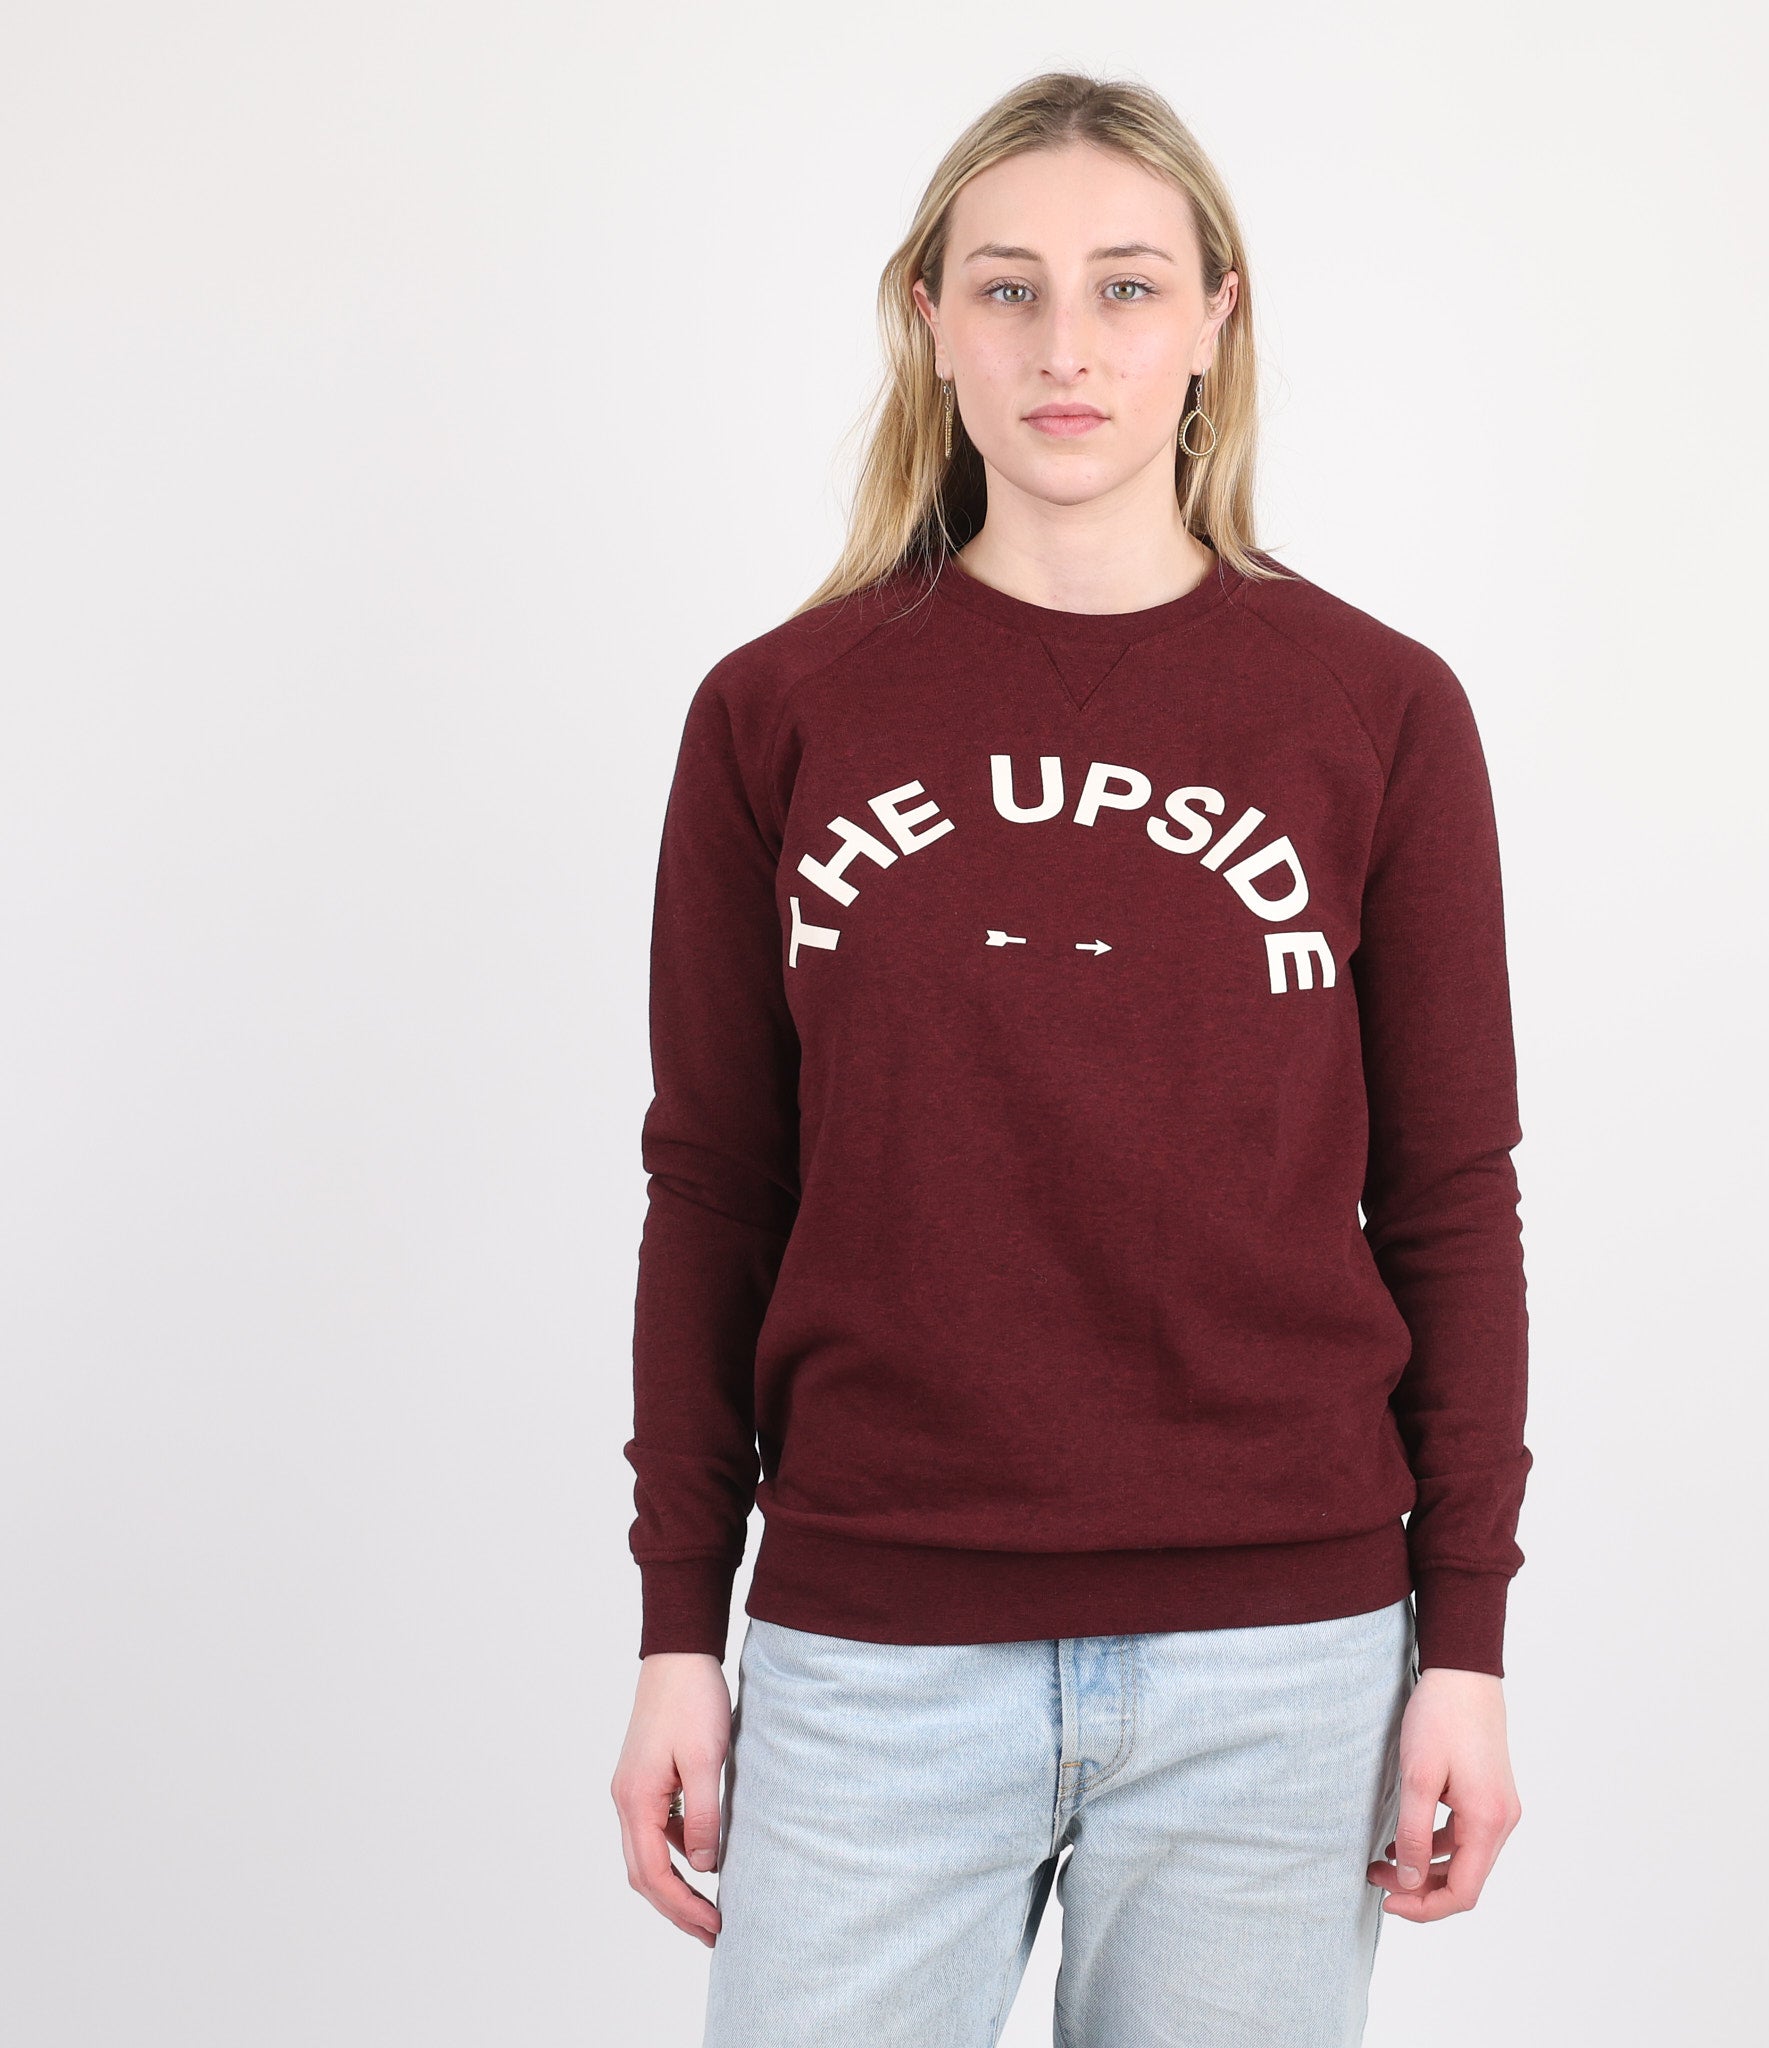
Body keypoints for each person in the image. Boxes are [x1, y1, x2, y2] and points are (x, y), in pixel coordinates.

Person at [609, 70, 1531, 2046]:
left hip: (1278, 1659)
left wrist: (1465, 1637)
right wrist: (680, 1625)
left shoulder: (1375, 710)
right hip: (874, 1641)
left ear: (1214, 319)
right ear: (930, 320)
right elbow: (715, 1193)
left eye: (1125, 286)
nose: (1065, 346)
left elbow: (1450, 1201)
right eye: (1007, 288)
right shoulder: (780, 710)